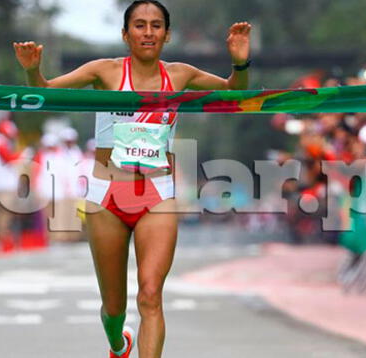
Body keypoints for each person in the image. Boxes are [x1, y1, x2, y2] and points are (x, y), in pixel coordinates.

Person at [14, 1, 251, 357]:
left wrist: (239, 61)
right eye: (139, 25)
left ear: (167, 35)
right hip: (106, 195)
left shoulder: (181, 75)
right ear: (126, 34)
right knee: (114, 307)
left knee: (150, 295)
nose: (148, 32)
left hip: (157, 194)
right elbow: (47, 91)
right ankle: (117, 342)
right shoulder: (105, 71)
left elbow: (236, 92)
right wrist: (33, 71)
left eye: (156, 25)